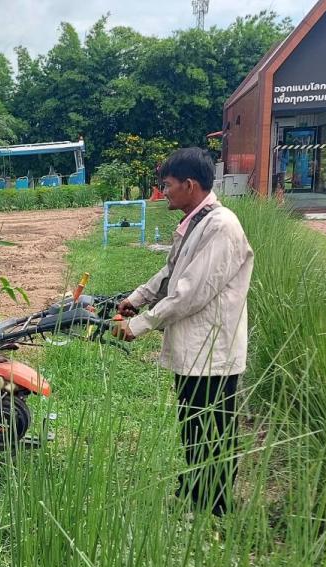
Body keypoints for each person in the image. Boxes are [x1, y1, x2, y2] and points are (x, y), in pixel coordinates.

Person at [110, 147, 254, 516]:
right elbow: (170, 273)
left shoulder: (221, 226)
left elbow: (189, 293)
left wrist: (139, 325)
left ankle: (215, 508)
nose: (165, 191)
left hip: (211, 349)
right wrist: (136, 299)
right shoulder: (197, 221)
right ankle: (194, 493)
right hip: (195, 350)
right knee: (194, 426)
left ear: (190, 185)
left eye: (168, 184)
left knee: (213, 430)